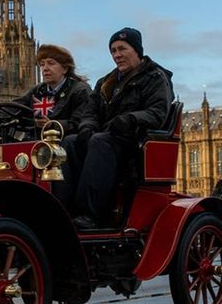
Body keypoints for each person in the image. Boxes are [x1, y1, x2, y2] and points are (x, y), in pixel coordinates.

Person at [59, 27, 174, 230]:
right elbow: (90, 111)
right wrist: (87, 127)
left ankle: (88, 215)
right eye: (113, 51)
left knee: (99, 142)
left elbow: (157, 113)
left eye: (122, 49)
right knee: (69, 143)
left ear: (137, 50)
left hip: (135, 145)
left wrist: (129, 119)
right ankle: (63, 209)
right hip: (107, 139)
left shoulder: (155, 78)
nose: (117, 55)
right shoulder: (106, 82)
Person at [0, 44, 91, 146]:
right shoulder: (38, 91)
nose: (45, 68)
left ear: (65, 68)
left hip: (64, 145)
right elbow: (8, 109)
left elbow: (83, 122)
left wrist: (53, 125)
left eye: (51, 63)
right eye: (42, 64)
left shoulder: (80, 90)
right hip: (36, 145)